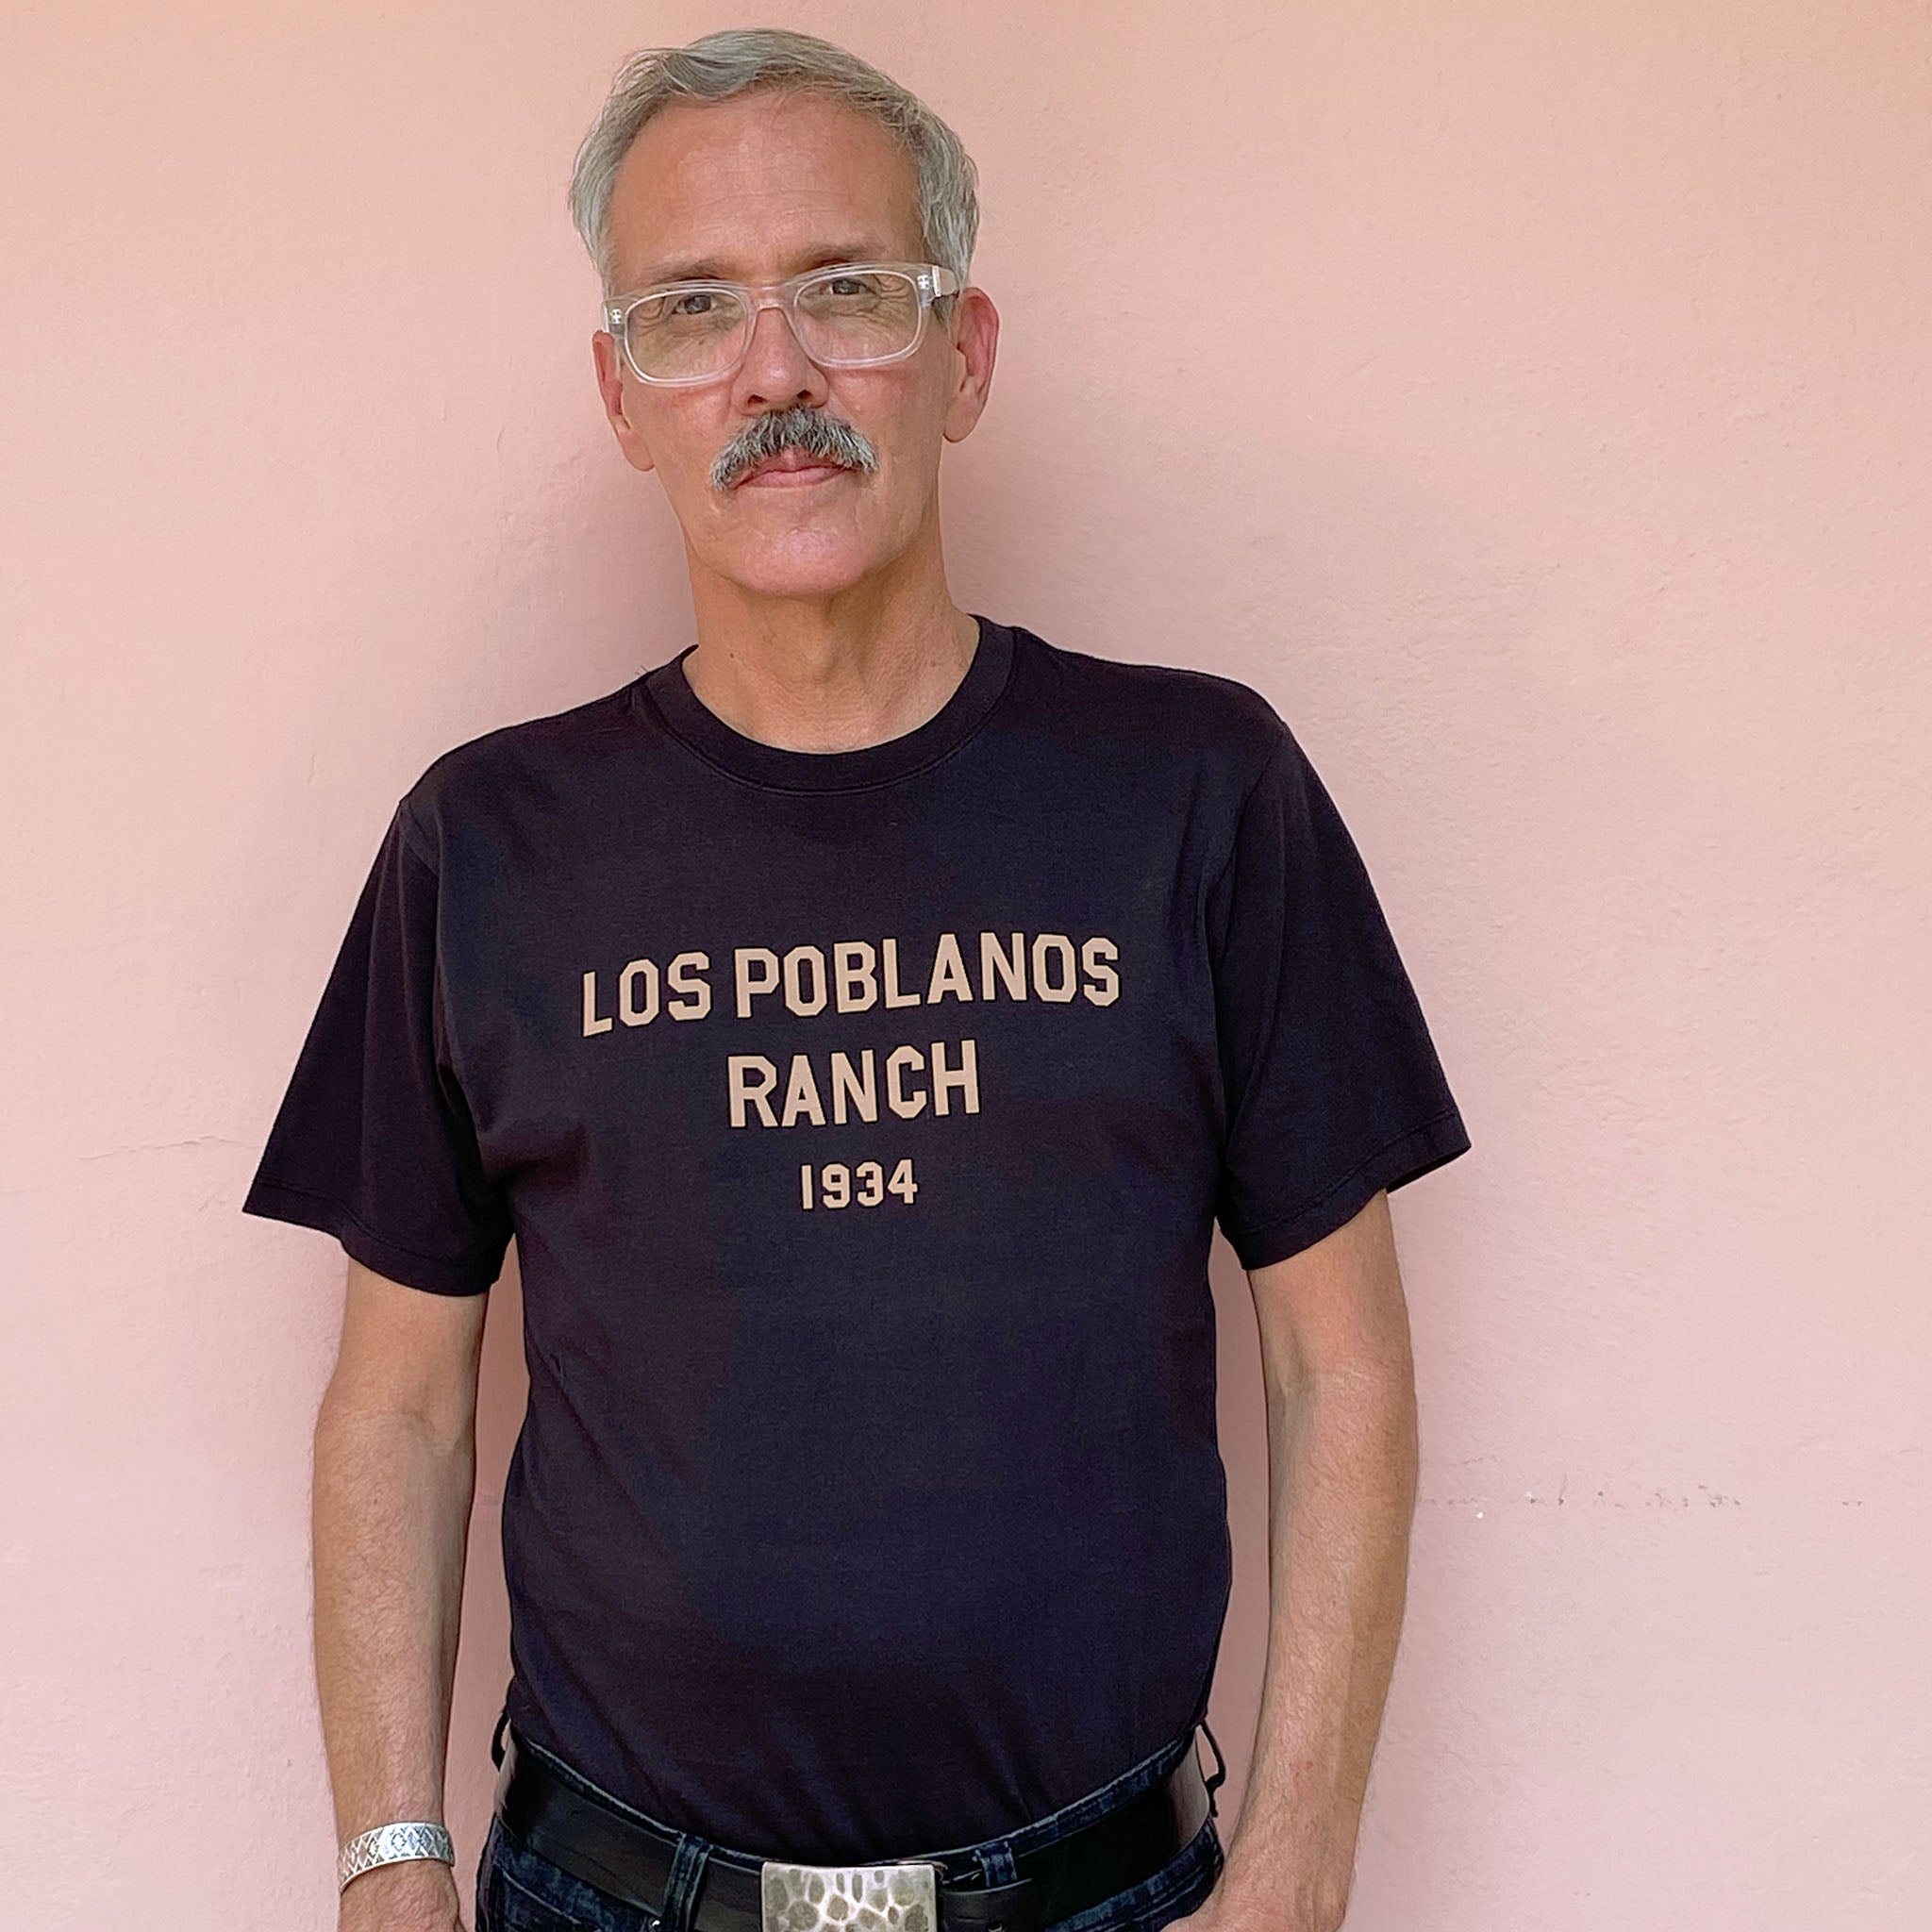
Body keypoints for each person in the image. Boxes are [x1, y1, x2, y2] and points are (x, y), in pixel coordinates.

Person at [242, 26, 1472, 1932]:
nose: (775, 370)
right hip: (607, 1896)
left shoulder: (1199, 794)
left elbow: (1344, 1354)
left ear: (963, 354)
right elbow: (396, 1404)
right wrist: (389, 1866)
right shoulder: (483, 844)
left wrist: (1300, 1861)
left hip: (1103, 1894)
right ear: (620, 395)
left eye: (847, 291)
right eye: (689, 308)